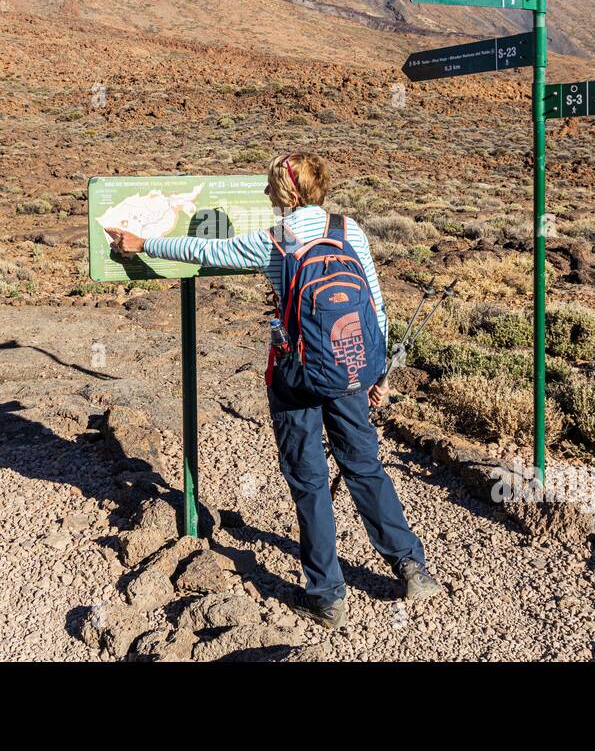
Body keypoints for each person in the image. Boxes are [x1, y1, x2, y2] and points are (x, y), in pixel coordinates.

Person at [105, 152, 440, 629]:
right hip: (350, 368)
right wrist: (373, 374)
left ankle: (327, 595)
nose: (265, 195)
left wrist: (144, 242)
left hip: (296, 376)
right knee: (365, 466)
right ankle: (412, 568)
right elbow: (376, 307)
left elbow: (207, 252)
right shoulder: (349, 230)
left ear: (290, 194)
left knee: (309, 481)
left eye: (270, 188)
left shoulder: (279, 240)